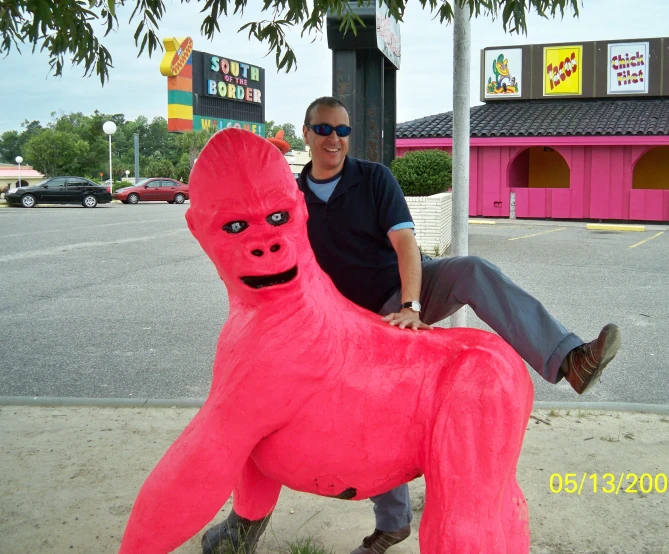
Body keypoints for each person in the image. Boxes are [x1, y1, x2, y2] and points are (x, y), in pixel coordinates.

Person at [202, 96, 621, 554]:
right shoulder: (293, 197)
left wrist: (412, 306)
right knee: (375, 404)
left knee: (471, 269)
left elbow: (405, 244)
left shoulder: (374, 179)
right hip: (340, 322)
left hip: (398, 291)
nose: (334, 139)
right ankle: (392, 525)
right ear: (305, 133)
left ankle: (567, 358)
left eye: (343, 130)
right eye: (323, 129)